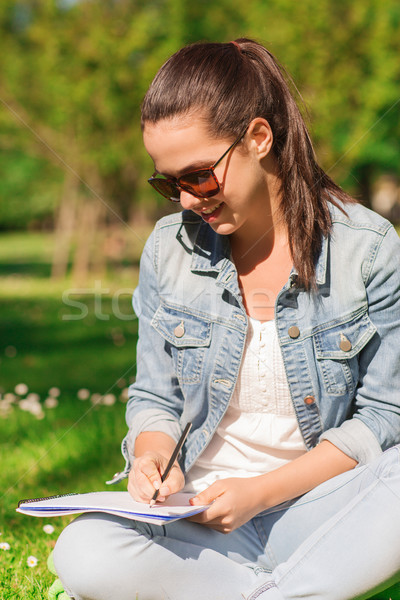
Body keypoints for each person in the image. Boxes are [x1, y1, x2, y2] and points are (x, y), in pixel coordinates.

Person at [53, 39, 400, 600]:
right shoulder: (169, 250)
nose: (187, 201)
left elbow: (387, 416)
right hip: (202, 520)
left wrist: (261, 493)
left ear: (259, 138)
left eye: (198, 176)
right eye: (169, 184)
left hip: (325, 514)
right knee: (82, 551)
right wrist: (152, 456)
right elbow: (155, 398)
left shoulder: (369, 249)